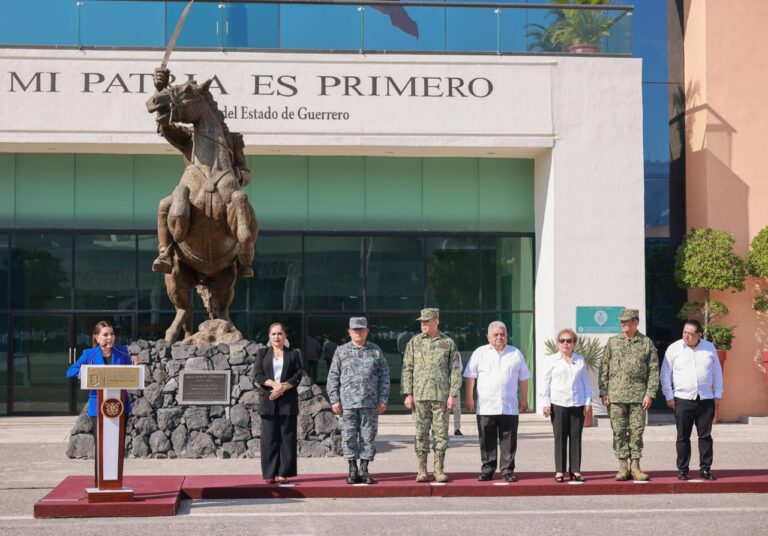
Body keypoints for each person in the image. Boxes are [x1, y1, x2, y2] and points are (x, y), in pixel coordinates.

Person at [66, 321, 139, 485]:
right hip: (98, 407)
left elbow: (131, 373)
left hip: (120, 406)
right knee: (102, 447)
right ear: (96, 337)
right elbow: (70, 371)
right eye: (105, 334)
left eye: (112, 334)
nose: (109, 338)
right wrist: (86, 375)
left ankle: (115, 483)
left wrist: (135, 363)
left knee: (116, 446)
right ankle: (100, 484)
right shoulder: (89, 354)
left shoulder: (123, 352)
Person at [464, 321, 530, 482]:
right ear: (488, 337)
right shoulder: (480, 353)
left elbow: (524, 379)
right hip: (486, 405)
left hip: (509, 406)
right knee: (487, 440)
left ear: (507, 336)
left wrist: (524, 400)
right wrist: (469, 399)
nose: (499, 337)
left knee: (509, 440)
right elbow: (470, 376)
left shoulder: (516, 353)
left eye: (502, 334)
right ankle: (488, 469)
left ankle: (507, 470)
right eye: (495, 334)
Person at [326, 317, 390, 484]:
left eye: (361, 329)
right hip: (347, 405)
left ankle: (365, 469)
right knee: (348, 437)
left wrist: (383, 398)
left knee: (367, 437)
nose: (358, 332)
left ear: (367, 331)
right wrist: (334, 400)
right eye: (355, 330)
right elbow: (333, 377)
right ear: (349, 332)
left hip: (370, 403)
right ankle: (352, 468)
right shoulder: (341, 351)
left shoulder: (376, 351)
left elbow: (385, 376)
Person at [599, 308, 660, 481]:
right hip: (616, 396)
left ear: (636, 322)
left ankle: (635, 466)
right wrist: (604, 391)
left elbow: (653, 370)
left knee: (636, 431)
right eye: (621, 321)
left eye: (626, 321)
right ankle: (622, 466)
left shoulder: (646, 343)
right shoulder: (613, 342)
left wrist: (650, 393)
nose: (622, 324)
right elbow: (604, 367)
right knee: (618, 431)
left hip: (638, 397)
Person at [402, 308, 462, 483]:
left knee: (441, 434)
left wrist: (453, 395)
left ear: (436, 321)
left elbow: (455, 371)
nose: (423, 324)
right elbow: (407, 368)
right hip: (420, 396)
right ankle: (421, 470)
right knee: (421, 433)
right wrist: (408, 394)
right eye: (421, 321)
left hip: (441, 397)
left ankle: (438, 470)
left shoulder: (448, 343)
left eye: (426, 321)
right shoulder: (414, 342)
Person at [661, 319, 723, 481]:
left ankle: (705, 469)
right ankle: (682, 469)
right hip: (682, 399)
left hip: (705, 399)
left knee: (705, 436)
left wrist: (718, 394)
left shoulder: (709, 348)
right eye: (684, 332)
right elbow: (665, 374)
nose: (686, 336)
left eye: (690, 334)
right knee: (683, 437)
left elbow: (717, 372)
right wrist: (669, 396)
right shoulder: (674, 349)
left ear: (699, 334)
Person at [252, 322, 304, 484]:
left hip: (288, 401)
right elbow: (258, 374)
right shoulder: (262, 353)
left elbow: (298, 374)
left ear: (285, 336)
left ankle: (284, 472)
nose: (276, 337)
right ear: (269, 336)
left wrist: (283, 388)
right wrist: (275, 385)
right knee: (269, 438)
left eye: (280, 334)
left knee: (286, 438)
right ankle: (269, 474)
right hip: (268, 400)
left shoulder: (294, 354)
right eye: (273, 334)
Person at [541, 328, 592, 482]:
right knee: (560, 437)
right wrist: (545, 403)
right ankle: (559, 471)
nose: (565, 343)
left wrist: (587, 403)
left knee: (576, 437)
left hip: (577, 403)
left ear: (574, 343)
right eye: (562, 340)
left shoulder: (580, 360)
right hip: (558, 403)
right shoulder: (551, 360)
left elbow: (586, 384)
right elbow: (545, 384)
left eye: (569, 341)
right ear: (558, 343)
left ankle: (575, 470)